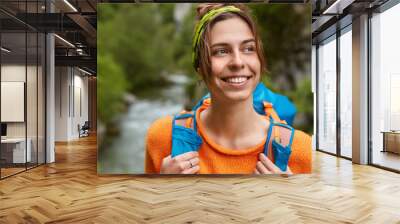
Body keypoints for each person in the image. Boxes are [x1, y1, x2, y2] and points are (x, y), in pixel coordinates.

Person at [145, 3, 311, 174]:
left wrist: (288, 197)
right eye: (221, 51)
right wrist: (163, 187)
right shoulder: (163, 139)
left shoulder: (302, 151)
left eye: (248, 48)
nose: (238, 62)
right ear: (200, 68)